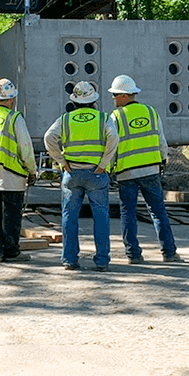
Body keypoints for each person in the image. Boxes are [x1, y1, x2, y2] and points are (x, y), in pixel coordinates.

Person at [108, 74, 182, 263]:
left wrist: (109, 168)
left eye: (115, 94)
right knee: (158, 211)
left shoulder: (116, 116)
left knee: (128, 213)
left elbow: (112, 145)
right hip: (151, 170)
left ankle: (133, 254)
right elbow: (161, 140)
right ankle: (169, 252)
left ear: (125, 96)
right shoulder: (150, 111)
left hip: (127, 173)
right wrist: (162, 160)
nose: (113, 98)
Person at [44, 80, 117, 271]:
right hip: (96, 174)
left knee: (69, 216)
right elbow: (113, 137)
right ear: (94, 100)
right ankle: (102, 261)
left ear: (74, 101)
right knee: (101, 217)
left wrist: (61, 161)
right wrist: (103, 164)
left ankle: (69, 259)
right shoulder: (103, 118)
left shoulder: (65, 119)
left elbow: (48, 137)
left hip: (72, 173)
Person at [0, 78, 37, 263]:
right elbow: (25, 147)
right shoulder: (14, 118)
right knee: (11, 215)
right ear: (12, 99)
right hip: (12, 174)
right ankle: (11, 251)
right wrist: (32, 170)